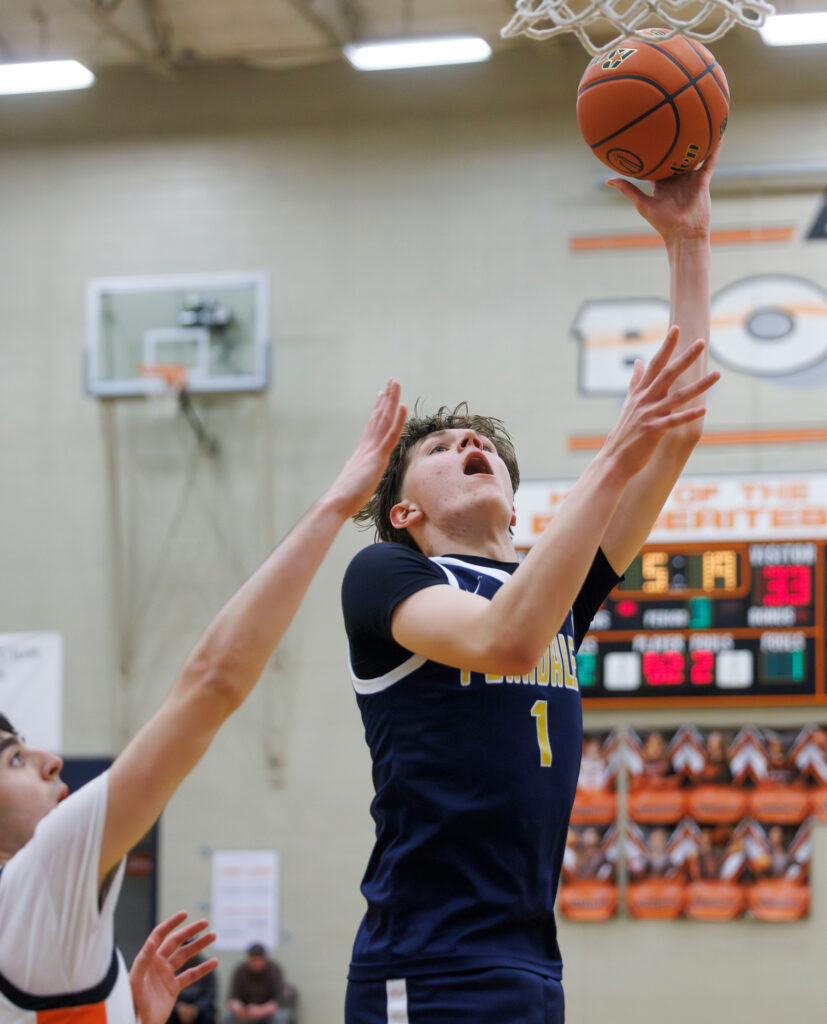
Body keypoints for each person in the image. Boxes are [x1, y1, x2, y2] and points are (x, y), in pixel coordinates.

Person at [341, 151, 721, 1023]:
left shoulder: (553, 591)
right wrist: (616, 448)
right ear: (400, 511)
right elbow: (500, 642)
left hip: (528, 959)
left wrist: (688, 242)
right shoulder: (387, 575)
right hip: (426, 961)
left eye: (483, 449)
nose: (467, 447)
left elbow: (677, 429)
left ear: (514, 502)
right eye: (440, 450)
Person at [0, 380, 406, 1024]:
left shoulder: (32, 916)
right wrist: (334, 504)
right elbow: (213, 681)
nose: (51, 759)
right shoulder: (35, 878)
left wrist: (128, 1015)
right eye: (13, 760)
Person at [225, 944, 293, 1024]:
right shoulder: (240, 970)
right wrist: (237, 1007)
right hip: (246, 1012)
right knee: (227, 1018)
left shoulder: (274, 970)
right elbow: (233, 997)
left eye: (258, 960)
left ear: (264, 959)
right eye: (253, 960)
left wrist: (261, 1010)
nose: (255, 963)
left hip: (267, 1011)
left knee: (280, 1018)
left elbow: (278, 1000)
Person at [166, 949, 216, 1024]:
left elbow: (210, 994)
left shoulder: (205, 965)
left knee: (208, 1013)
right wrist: (178, 1007)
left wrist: (196, 1008)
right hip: (178, 1007)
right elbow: (167, 992)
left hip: (199, 1007)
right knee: (167, 1013)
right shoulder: (174, 965)